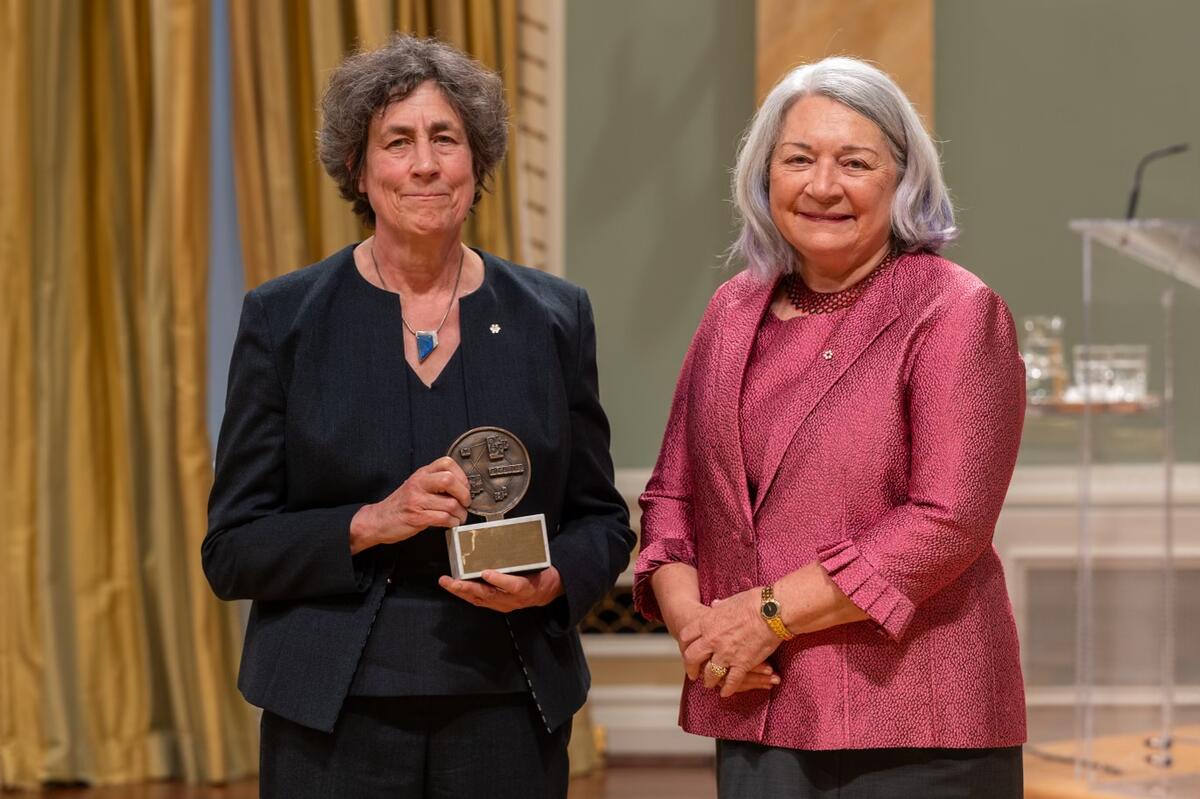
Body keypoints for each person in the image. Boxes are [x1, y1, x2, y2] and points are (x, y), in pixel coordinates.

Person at [203, 34, 633, 799]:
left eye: (447, 139)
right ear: (358, 171)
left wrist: (552, 581)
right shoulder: (284, 320)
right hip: (331, 706)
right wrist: (372, 520)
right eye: (397, 142)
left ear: (478, 164)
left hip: (508, 692)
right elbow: (233, 550)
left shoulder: (554, 317)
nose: (426, 164)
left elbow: (601, 518)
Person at [634, 57, 1026, 798]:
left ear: (903, 179)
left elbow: (945, 522)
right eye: (798, 159)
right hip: (754, 701)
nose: (822, 186)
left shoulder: (955, 311)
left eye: (854, 162)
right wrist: (702, 634)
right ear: (764, 176)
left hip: (917, 724)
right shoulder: (730, 311)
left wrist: (764, 616)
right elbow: (671, 501)